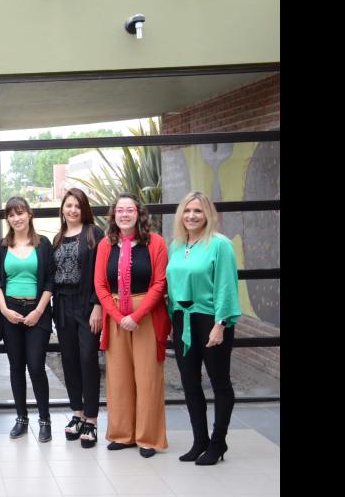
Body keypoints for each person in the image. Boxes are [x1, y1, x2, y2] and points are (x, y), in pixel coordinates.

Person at [166, 191, 240, 465]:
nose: (191, 216)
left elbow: (226, 286)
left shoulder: (220, 245)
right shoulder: (176, 245)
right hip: (182, 320)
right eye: (187, 211)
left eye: (197, 211)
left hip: (211, 320)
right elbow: (172, 286)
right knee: (189, 383)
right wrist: (173, 320)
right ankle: (200, 441)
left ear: (207, 214)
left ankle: (218, 442)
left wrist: (220, 324)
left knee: (220, 383)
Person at [94, 193, 170, 458]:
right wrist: (117, 316)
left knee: (148, 377)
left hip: (146, 319)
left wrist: (135, 317)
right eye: (120, 210)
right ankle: (122, 434)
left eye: (130, 210)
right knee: (118, 378)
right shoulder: (106, 245)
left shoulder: (156, 243)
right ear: (113, 215)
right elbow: (101, 285)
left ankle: (148, 438)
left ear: (139, 213)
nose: (124, 214)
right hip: (116, 318)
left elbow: (160, 284)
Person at [0, 197, 55, 442]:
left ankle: (45, 420)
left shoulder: (44, 244)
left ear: (29, 214)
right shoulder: (0, 247)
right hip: (10, 310)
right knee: (16, 367)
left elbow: (50, 280)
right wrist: (4, 309)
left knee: (36, 366)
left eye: (20, 213)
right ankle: (21, 418)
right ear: (7, 219)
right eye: (11, 215)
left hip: (37, 310)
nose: (16, 218)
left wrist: (38, 310)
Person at [50, 189, 105, 448]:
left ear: (84, 210)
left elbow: (102, 274)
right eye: (68, 205)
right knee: (69, 360)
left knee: (87, 359)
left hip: (87, 305)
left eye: (77, 206)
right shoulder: (58, 238)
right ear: (62, 209)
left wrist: (97, 306)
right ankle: (77, 413)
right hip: (62, 304)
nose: (72, 210)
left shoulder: (94, 234)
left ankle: (92, 419)